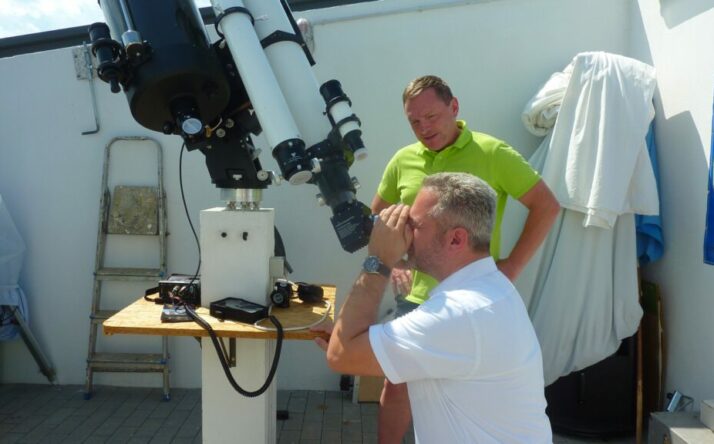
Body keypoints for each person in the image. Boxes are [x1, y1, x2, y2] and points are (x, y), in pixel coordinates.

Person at [371, 75, 560, 442]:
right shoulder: (403, 159)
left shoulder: (493, 153)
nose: (424, 128)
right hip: (418, 297)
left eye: (431, 116)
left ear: (454, 107)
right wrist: (394, 262)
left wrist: (512, 266)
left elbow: (547, 205)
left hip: (471, 302)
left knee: (468, 391)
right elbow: (378, 216)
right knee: (396, 386)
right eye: (414, 121)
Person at [313, 173, 552, 443]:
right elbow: (354, 351)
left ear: (456, 239)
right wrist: (364, 342)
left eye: (414, 225)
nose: (404, 233)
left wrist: (379, 260)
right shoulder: (489, 291)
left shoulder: (462, 313)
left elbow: (342, 356)